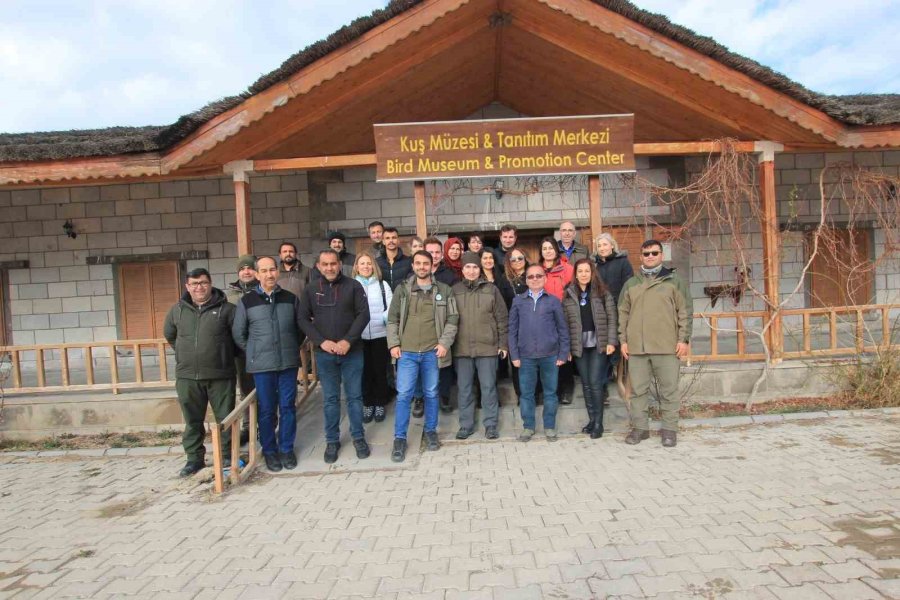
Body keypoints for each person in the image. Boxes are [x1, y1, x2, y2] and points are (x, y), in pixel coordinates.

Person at [232, 256, 305, 473]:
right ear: (256, 274)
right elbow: (239, 333)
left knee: (288, 407)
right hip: (262, 366)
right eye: (263, 271)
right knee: (266, 410)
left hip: (288, 363)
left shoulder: (291, 299)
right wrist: (255, 352)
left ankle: (286, 448)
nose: (269, 274)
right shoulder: (246, 302)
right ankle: (270, 451)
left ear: (278, 272)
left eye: (272, 270)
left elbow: (300, 329)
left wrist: (290, 347)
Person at [298, 249, 370, 464]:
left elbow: (363, 314)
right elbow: (302, 319)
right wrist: (322, 342)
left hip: (352, 352)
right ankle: (332, 441)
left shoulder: (354, 286)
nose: (329, 268)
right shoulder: (311, 290)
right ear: (318, 266)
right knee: (330, 399)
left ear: (339, 264)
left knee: (355, 397)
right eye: (325, 264)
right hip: (325, 354)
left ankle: (358, 437)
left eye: (333, 263)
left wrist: (348, 340)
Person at [619, 239, 693, 448]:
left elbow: (685, 312)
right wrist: (623, 340)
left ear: (661, 255)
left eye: (654, 253)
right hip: (637, 348)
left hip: (667, 347)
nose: (650, 256)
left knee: (668, 391)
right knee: (638, 392)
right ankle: (640, 429)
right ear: (640, 257)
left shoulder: (674, 281)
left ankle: (669, 430)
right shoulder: (631, 284)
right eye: (646, 254)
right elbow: (623, 314)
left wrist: (683, 339)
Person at [386, 250, 459, 462]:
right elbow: (392, 320)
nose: (421, 267)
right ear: (413, 266)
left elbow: (453, 319)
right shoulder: (402, 290)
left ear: (432, 265)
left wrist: (444, 343)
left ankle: (430, 431)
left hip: (431, 353)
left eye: (425, 263)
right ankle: (399, 438)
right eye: (418, 263)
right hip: (406, 353)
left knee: (431, 392)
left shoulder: (444, 290)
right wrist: (393, 344)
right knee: (404, 395)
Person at [164, 268, 237, 477]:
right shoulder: (177, 310)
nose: (199, 287)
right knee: (193, 421)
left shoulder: (227, 310)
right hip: (188, 377)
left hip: (220, 375)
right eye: (194, 284)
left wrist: (221, 354)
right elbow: (170, 335)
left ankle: (225, 457)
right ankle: (194, 460)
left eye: (203, 282)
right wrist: (188, 354)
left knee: (224, 419)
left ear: (210, 283)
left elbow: (237, 338)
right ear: (187, 286)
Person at [508, 264, 570, 442]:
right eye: (531, 277)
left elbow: (562, 329)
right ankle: (528, 427)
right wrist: (515, 355)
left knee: (551, 393)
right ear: (526, 280)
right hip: (525, 357)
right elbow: (512, 330)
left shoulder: (553, 301)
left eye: (538, 276)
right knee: (526, 394)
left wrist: (562, 353)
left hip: (550, 355)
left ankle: (549, 427)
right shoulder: (518, 301)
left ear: (545, 278)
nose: (534, 279)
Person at [451, 252, 508, 440]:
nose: (472, 270)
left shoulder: (491, 290)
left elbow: (502, 318)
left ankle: (491, 424)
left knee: (488, 387)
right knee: (465, 388)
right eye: (468, 267)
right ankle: (466, 425)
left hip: (488, 348)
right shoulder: (454, 290)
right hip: (462, 349)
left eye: (475, 267)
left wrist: (502, 344)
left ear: (480, 269)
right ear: (463, 269)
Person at [562, 259, 617, 439]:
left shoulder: (603, 292)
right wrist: (567, 348)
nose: (584, 274)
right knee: (585, 384)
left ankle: (599, 423)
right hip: (579, 345)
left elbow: (611, 318)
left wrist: (611, 342)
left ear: (592, 273)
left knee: (595, 382)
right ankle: (592, 420)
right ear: (575, 274)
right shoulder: (569, 294)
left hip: (598, 343)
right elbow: (565, 323)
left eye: (587, 271)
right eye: (580, 271)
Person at [353, 251, 393, 423]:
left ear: (373, 266)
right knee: (364, 372)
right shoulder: (351, 285)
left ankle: (380, 403)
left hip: (379, 335)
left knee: (379, 371)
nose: (366, 267)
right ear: (357, 267)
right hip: (359, 337)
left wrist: (382, 320)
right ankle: (367, 403)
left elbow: (391, 307)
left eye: (369, 263)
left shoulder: (383, 285)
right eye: (362, 263)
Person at [593, 232, 634, 390]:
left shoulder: (623, 262)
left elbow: (629, 286)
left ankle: (620, 374)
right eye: (599, 246)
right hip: (599, 310)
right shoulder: (594, 265)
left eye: (604, 244)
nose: (602, 248)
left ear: (612, 245)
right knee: (603, 343)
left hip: (618, 308)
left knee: (617, 340)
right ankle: (604, 380)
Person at [226, 254, 258, 444]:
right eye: (242, 269)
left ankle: (268, 424)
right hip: (240, 351)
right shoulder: (229, 296)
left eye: (250, 268)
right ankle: (248, 426)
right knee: (246, 389)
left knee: (267, 388)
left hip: (262, 348)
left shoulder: (263, 291)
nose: (246, 272)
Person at [424, 237, 459, 412]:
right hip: (422, 327)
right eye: (430, 252)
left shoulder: (449, 275)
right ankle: (419, 398)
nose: (435, 255)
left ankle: (444, 397)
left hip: (443, 325)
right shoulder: (414, 274)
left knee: (444, 364)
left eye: (438, 252)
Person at [539, 237, 575, 404]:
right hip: (544, 317)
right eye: (544, 248)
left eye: (550, 248)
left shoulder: (567, 269)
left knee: (564, 351)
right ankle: (549, 390)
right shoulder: (537, 270)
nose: (548, 251)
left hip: (563, 313)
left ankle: (566, 389)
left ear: (556, 249)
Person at [377, 227, 412, 291]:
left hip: (402, 299)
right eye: (387, 238)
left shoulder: (408, 262)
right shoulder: (377, 263)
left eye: (394, 237)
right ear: (383, 242)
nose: (391, 241)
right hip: (384, 300)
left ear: (398, 240)